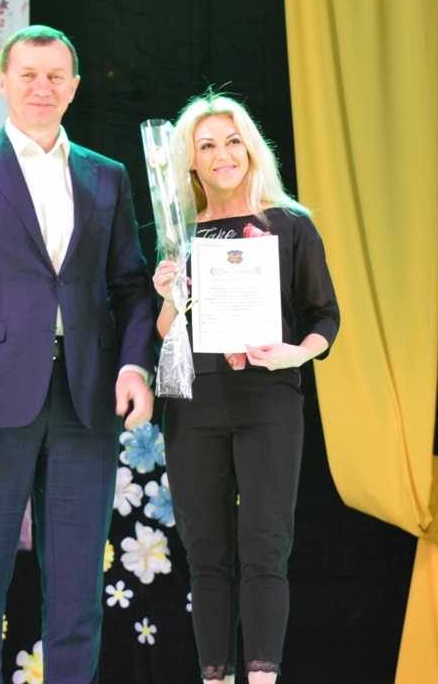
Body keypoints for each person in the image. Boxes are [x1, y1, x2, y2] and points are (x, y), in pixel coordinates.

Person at [0, 25, 156, 683]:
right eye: (28, 75)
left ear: (73, 86)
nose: (42, 87)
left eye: (54, 76)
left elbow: (130, 284)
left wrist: (135, 364)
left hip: (86, 401)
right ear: (3, 82)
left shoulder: (107, 175)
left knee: (77, 592)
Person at [153, 94, 340, 683]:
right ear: (189, 159)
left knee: (264, 549)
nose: (222, 154)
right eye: (206, 144)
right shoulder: (175, 234)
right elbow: (165, 333)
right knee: (205, 555)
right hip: (194, 402)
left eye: (233, 140)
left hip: (268, 400)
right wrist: (167, 296)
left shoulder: (290, 224)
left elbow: (325, 316)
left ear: (251, 148)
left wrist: (297, 353)